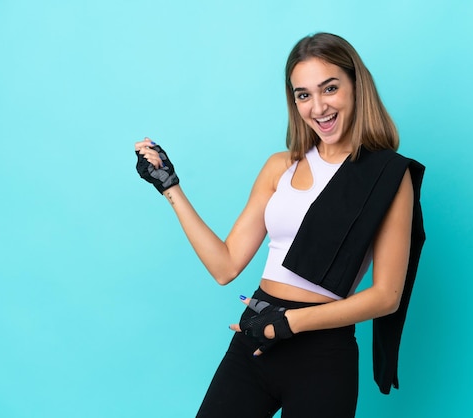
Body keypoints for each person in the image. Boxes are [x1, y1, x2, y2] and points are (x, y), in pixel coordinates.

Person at [134, 32, 425, 418]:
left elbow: (387, 295)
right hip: (254, 337)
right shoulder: (280, 166)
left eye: (330, 88)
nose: (318, 106)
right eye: (303, 95)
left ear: (356, 85)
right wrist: (170, 188)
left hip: (322, 353)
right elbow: (225, 266)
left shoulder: (386, 175)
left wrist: (289, 323)